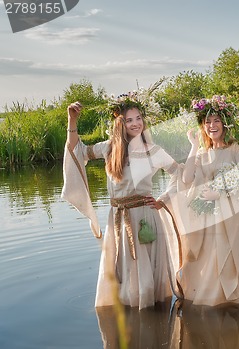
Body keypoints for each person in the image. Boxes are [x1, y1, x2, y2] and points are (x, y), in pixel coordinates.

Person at [61, 91, 181, 310]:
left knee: (146, 278)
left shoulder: (153, 151)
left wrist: (163, 200)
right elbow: (76, 152)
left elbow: (179, 173)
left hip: (145, 216)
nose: (135, 124)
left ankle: (149, 321)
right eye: (129, 120)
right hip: (117, 217)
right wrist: (72, 120)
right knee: (124, 275)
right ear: (120, 123)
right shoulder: (109, 148)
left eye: (138, 118)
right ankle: (129, 316)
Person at [164, 95, 239, 306]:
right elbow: (187, 179)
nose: (212, 126)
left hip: (232, 217)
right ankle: (212, 299)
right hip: (208, 219)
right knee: (211, 263)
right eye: (207, 122)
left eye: (216, 121)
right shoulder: (203, 152)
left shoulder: (237, 148)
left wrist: (219, 191)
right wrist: (194, 146)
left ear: (225, 122)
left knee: (225, 260)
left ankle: (229, 304)